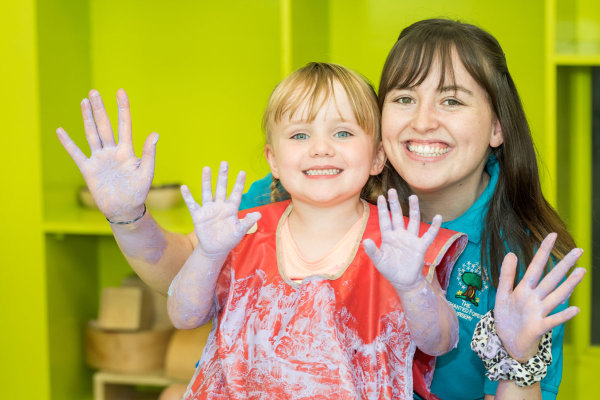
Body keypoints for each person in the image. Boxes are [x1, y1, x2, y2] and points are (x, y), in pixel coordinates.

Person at [56, 19, 585, 400]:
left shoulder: (523, 262)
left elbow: (447, 344)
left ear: (497, 128)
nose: (423, 121)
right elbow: (183, 278)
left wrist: (517, 358)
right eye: (403, 98)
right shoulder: (308, 191)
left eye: (451, 100)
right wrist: (129, 215)